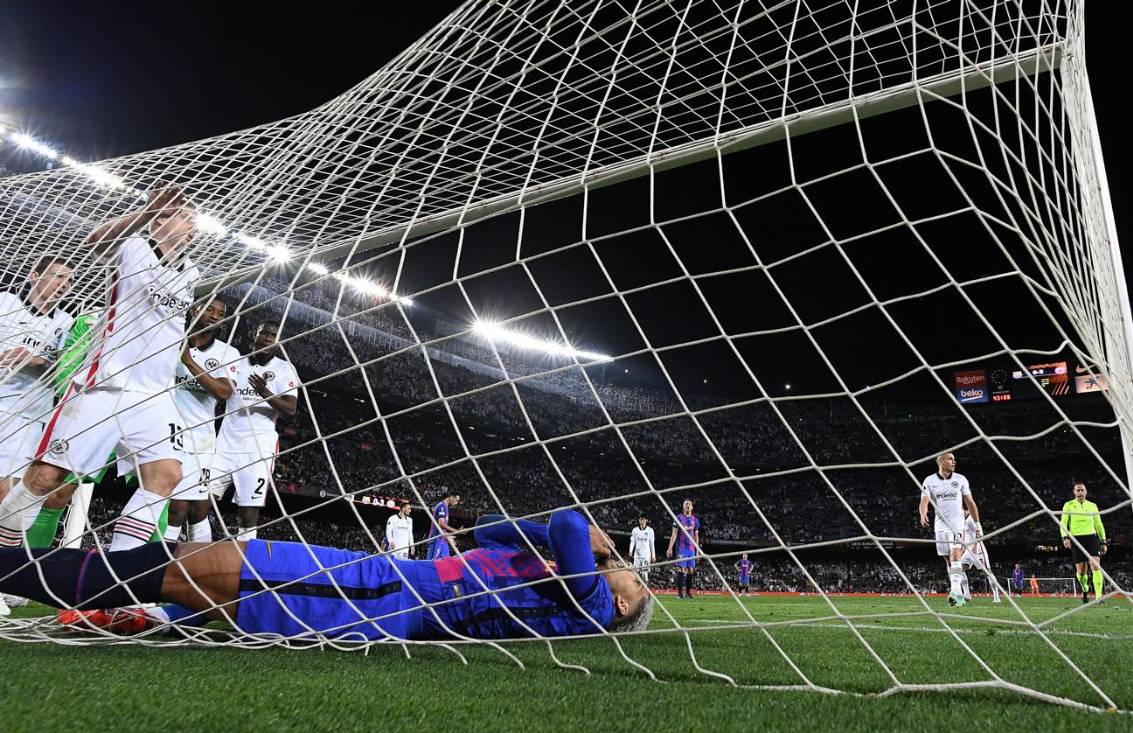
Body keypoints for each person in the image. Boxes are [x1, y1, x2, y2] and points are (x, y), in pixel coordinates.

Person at [0, 510, 654, 640]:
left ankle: (15, 569)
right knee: (177, 573)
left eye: (636, 585)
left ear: (623, 609)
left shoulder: (590, 606)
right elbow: (485, 526)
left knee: (183, 572)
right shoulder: (563, 576)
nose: (626, 573)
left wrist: (594, 541)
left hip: (384, 598)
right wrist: (558, 535)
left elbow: (570, 523)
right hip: (385, 580)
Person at [0, 187, 199, 551]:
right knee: (46, 479)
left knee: (167, 475)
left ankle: (111, 591)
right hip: (105, 385)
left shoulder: (190, 272)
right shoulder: (134, 247)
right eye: (186, 217)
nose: (193, 227)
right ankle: (5, 552)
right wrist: (145, 211)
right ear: (161, 219)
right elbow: (97, 240)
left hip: (154, 393)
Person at [210, 321, 299, 542]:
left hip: (258, 448)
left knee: (248, 513)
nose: (268, 338)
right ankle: (192, 550)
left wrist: (264, 392)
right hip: (224, 444)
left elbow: (290, 408)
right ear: (254, 334)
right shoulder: (236, 363)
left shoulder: (284, 369)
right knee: (198, 500)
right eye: (264, 333)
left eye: (274, 335)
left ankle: (242, 565)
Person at [164, 298, 240, 543]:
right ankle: (154, 560)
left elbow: (223, 392)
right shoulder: (169, 338)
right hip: (161, 429)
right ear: (194, 309)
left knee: (195, 509)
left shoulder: (228, 353)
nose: (215, 315)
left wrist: (188, 361)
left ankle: (190, 560)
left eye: (221, 312)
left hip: (199, 439)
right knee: (171, 505)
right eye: (209, 309)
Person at [0, 255, 75, 502]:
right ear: (34, 275)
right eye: (59, 276)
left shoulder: (67, 323)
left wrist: (36, 361)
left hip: (27, 418)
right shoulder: (4, 302)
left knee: (6, 492)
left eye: (70, 281)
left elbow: (67, 372)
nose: (64, 284)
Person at [918, 451, 980, 607]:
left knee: (955, 556)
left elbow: (970, 503)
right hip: (940, 527)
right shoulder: (929, 480)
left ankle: (953, 592)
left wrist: (977, 524)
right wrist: (923, 513)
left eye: (954, 459)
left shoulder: (960, 479)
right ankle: (958, 594)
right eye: (950, 459)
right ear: (941, 462)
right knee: (948, 560)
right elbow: (924, 501)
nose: (954, 461)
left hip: (957, 525)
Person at [1059, 481, 1107, 603]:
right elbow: (1063, 523)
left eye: (1082, 490)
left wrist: (1103, 541)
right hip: (1076, 539)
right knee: (1081, 572)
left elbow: (1098, 524)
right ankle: (1085, 590)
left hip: (1091, 538)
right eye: (1078, 490)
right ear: (1074, 492)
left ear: (1086, 492)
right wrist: (1065, 537)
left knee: (1096, 566)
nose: (1080, 492)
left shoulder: (1092, 506)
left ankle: (1098, 597)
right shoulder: (1068, 505)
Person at [665, 499, 700, 599]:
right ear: (683, 507)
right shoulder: (678, 518)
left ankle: (688, 592)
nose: (688, 505)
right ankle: (680, 594)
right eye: (686, 504)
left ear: (692, 507)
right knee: (681, 569)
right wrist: (670, 548)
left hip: (691, 549)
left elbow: (696, 536)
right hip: (682, 548)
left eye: (689, 504)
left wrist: (697, 551)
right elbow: (674, 533)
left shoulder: (695, 519)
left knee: (690, 570)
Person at [426, 492, 461, 559]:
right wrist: (456, 531)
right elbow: (441, 524)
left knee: (445, 562)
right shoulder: (441, 506)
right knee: (432, 563)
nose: (456, 503)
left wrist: (449, 535)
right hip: (436, 539)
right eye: (456, 500)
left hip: (442, 539)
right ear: (451, 497)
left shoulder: (446, 507)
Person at [628, 514, 655, 580]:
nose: (641, 521)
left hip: (646, 555)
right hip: (637, 555)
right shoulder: (635, 530)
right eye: (640, 519)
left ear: (646, 520)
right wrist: (630, 551)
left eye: (643, 519)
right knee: (636, 574)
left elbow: (652, 544)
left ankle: (645, 587)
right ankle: (637, 589)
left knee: (644, 573)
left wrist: (653, 556)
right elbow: (632, 541)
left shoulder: (650, 530)